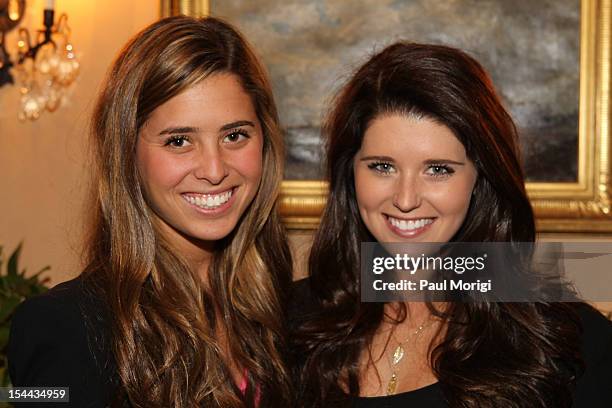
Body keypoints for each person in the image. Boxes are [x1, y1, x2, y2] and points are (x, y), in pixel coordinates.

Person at [291, 42, 612, 407]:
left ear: (480, 178)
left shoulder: (566, 342)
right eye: (382, 166)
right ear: (350, 172)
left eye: (438, 169)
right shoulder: (293, 323)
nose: (406, 198)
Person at [9, 16, 292, 407]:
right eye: (179, 141)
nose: (214, 169)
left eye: (234, 135)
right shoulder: (62, 327)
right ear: (127, 154)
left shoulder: (279, 309)